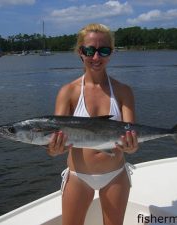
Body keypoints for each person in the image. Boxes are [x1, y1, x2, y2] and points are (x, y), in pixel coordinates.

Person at [47, 23, 138, 225]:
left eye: (103, 50)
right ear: (80, 52)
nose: (96, 58)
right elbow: (54, 142)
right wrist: (54, 150)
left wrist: (131, 148)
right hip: (79, 176)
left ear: (111, 52)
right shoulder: (68, 92)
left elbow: (130, 138)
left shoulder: (124, 91)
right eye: (89, 50)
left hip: (115, 175)